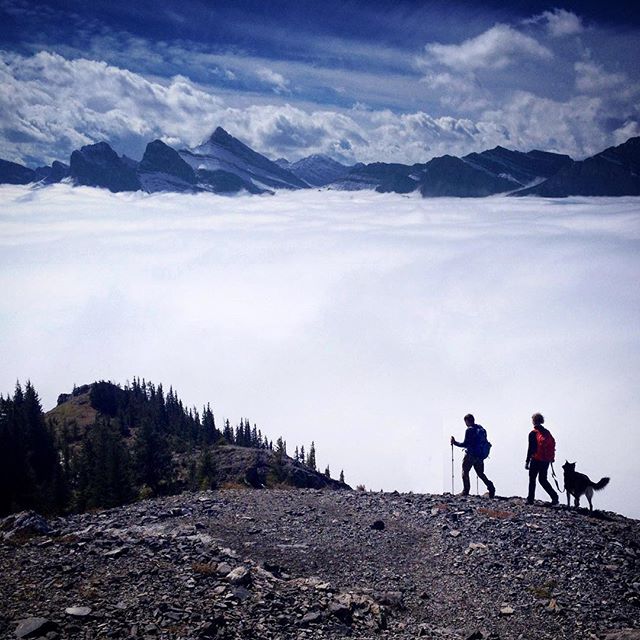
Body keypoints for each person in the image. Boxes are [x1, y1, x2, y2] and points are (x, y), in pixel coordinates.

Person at [451, 414, 495, 497]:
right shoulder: (480, 428)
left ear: (467, 421)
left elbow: (465, 444)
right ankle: (491, 487)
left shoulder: (469, 430)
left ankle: (466, 491)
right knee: (480, 473)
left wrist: (455, 442)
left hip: (470, 455)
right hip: (480, 455)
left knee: (465, 472)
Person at [525, 413, 558, 505]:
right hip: (545, 460)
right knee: (543, 480)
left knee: (532, 479)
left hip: (535, 459)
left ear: (533, 421)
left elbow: (530, 448)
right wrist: (551, 457)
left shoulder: (532, 433)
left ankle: (530, 499)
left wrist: (527, 461)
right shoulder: (547, 432)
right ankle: (554, 497)